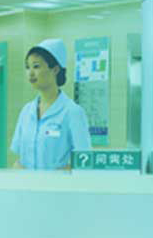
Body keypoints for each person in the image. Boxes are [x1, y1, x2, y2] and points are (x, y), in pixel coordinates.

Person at [9, 38, 92, 170]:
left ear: (55, 69)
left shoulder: (72, 112)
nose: (30, 73)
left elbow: (84, 160)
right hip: (25, 182)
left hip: (57, 183)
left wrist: (57, 176)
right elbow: (19, 157)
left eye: (36, 66)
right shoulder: (26, 111)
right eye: (27, 67)